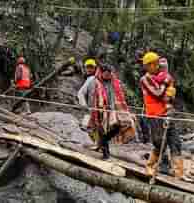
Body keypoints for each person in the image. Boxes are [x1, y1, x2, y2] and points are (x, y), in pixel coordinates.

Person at [140, 51, 183, 179]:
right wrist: (165, 83)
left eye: (158, 63)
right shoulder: (145, 79)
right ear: (148, 65)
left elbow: (168, 97)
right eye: (155, 64)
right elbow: (158, 93)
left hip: (167, 114)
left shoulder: (162, 76)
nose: (158, 66)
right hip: (155, 116)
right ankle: (150, 167)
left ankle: (179, 173)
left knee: (176, 142)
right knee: (159, 143)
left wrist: (171, 94)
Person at [78, 63, 134, 160]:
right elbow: (81, 93)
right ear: (101, 72)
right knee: (101, 131)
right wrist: (84, 106)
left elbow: (118, 94)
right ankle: (105, 154)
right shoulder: (92, 80)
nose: (108, 76)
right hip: (96, 111)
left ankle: (101, 144)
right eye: (106, 74)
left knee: (118, 126)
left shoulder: (114, 81)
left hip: (111, 111)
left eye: (110, 74)